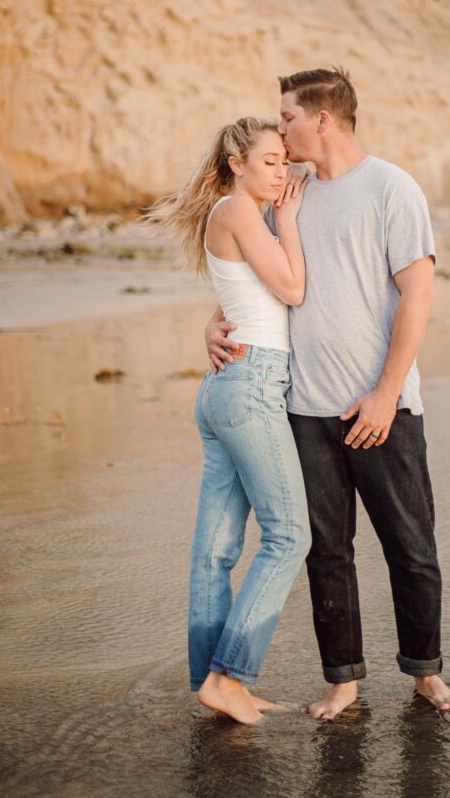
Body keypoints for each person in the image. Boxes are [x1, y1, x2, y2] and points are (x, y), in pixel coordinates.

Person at [206, 69, 450, 720]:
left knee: (411, 546)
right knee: (328, 553)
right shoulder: (287, 193)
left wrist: (385, 392)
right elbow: (253, 274)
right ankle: (343, 679)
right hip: (302, 409)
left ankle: (426, 674)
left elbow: (419, 293)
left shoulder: (391, 188)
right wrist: (213, 322)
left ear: (322, 119)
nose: (280, 127)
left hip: (381, 408)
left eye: (287, 115)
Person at [152, 116, 311, 725]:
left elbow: (245, 295)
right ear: (237, 163)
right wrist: (291, 222)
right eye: (269, 161)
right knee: (289, 535)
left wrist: (214, 324)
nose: (282, 172)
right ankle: (231, 674)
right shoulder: (243, 211)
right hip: (250, 387)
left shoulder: (236, 214)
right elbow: (293, 290)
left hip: (229, 385)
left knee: (216, 550)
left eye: (284, 161)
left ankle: (214, 682)